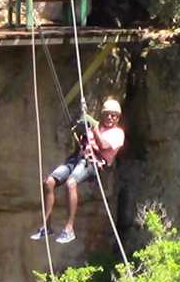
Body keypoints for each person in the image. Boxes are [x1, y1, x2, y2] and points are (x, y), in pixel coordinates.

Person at [33, 98, 125, 244]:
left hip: (93, 163)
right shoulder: (96, 127)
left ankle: (69, 229)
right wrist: (82, 130)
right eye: (107, 114)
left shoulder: (118, 133)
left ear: (118, 118)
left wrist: (93, 127)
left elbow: (103, 145)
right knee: (48, 182)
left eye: (113, 115)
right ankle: (46, 225)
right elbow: (82, 142)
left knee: (71, 183)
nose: (110, 118)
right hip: (78, 158)